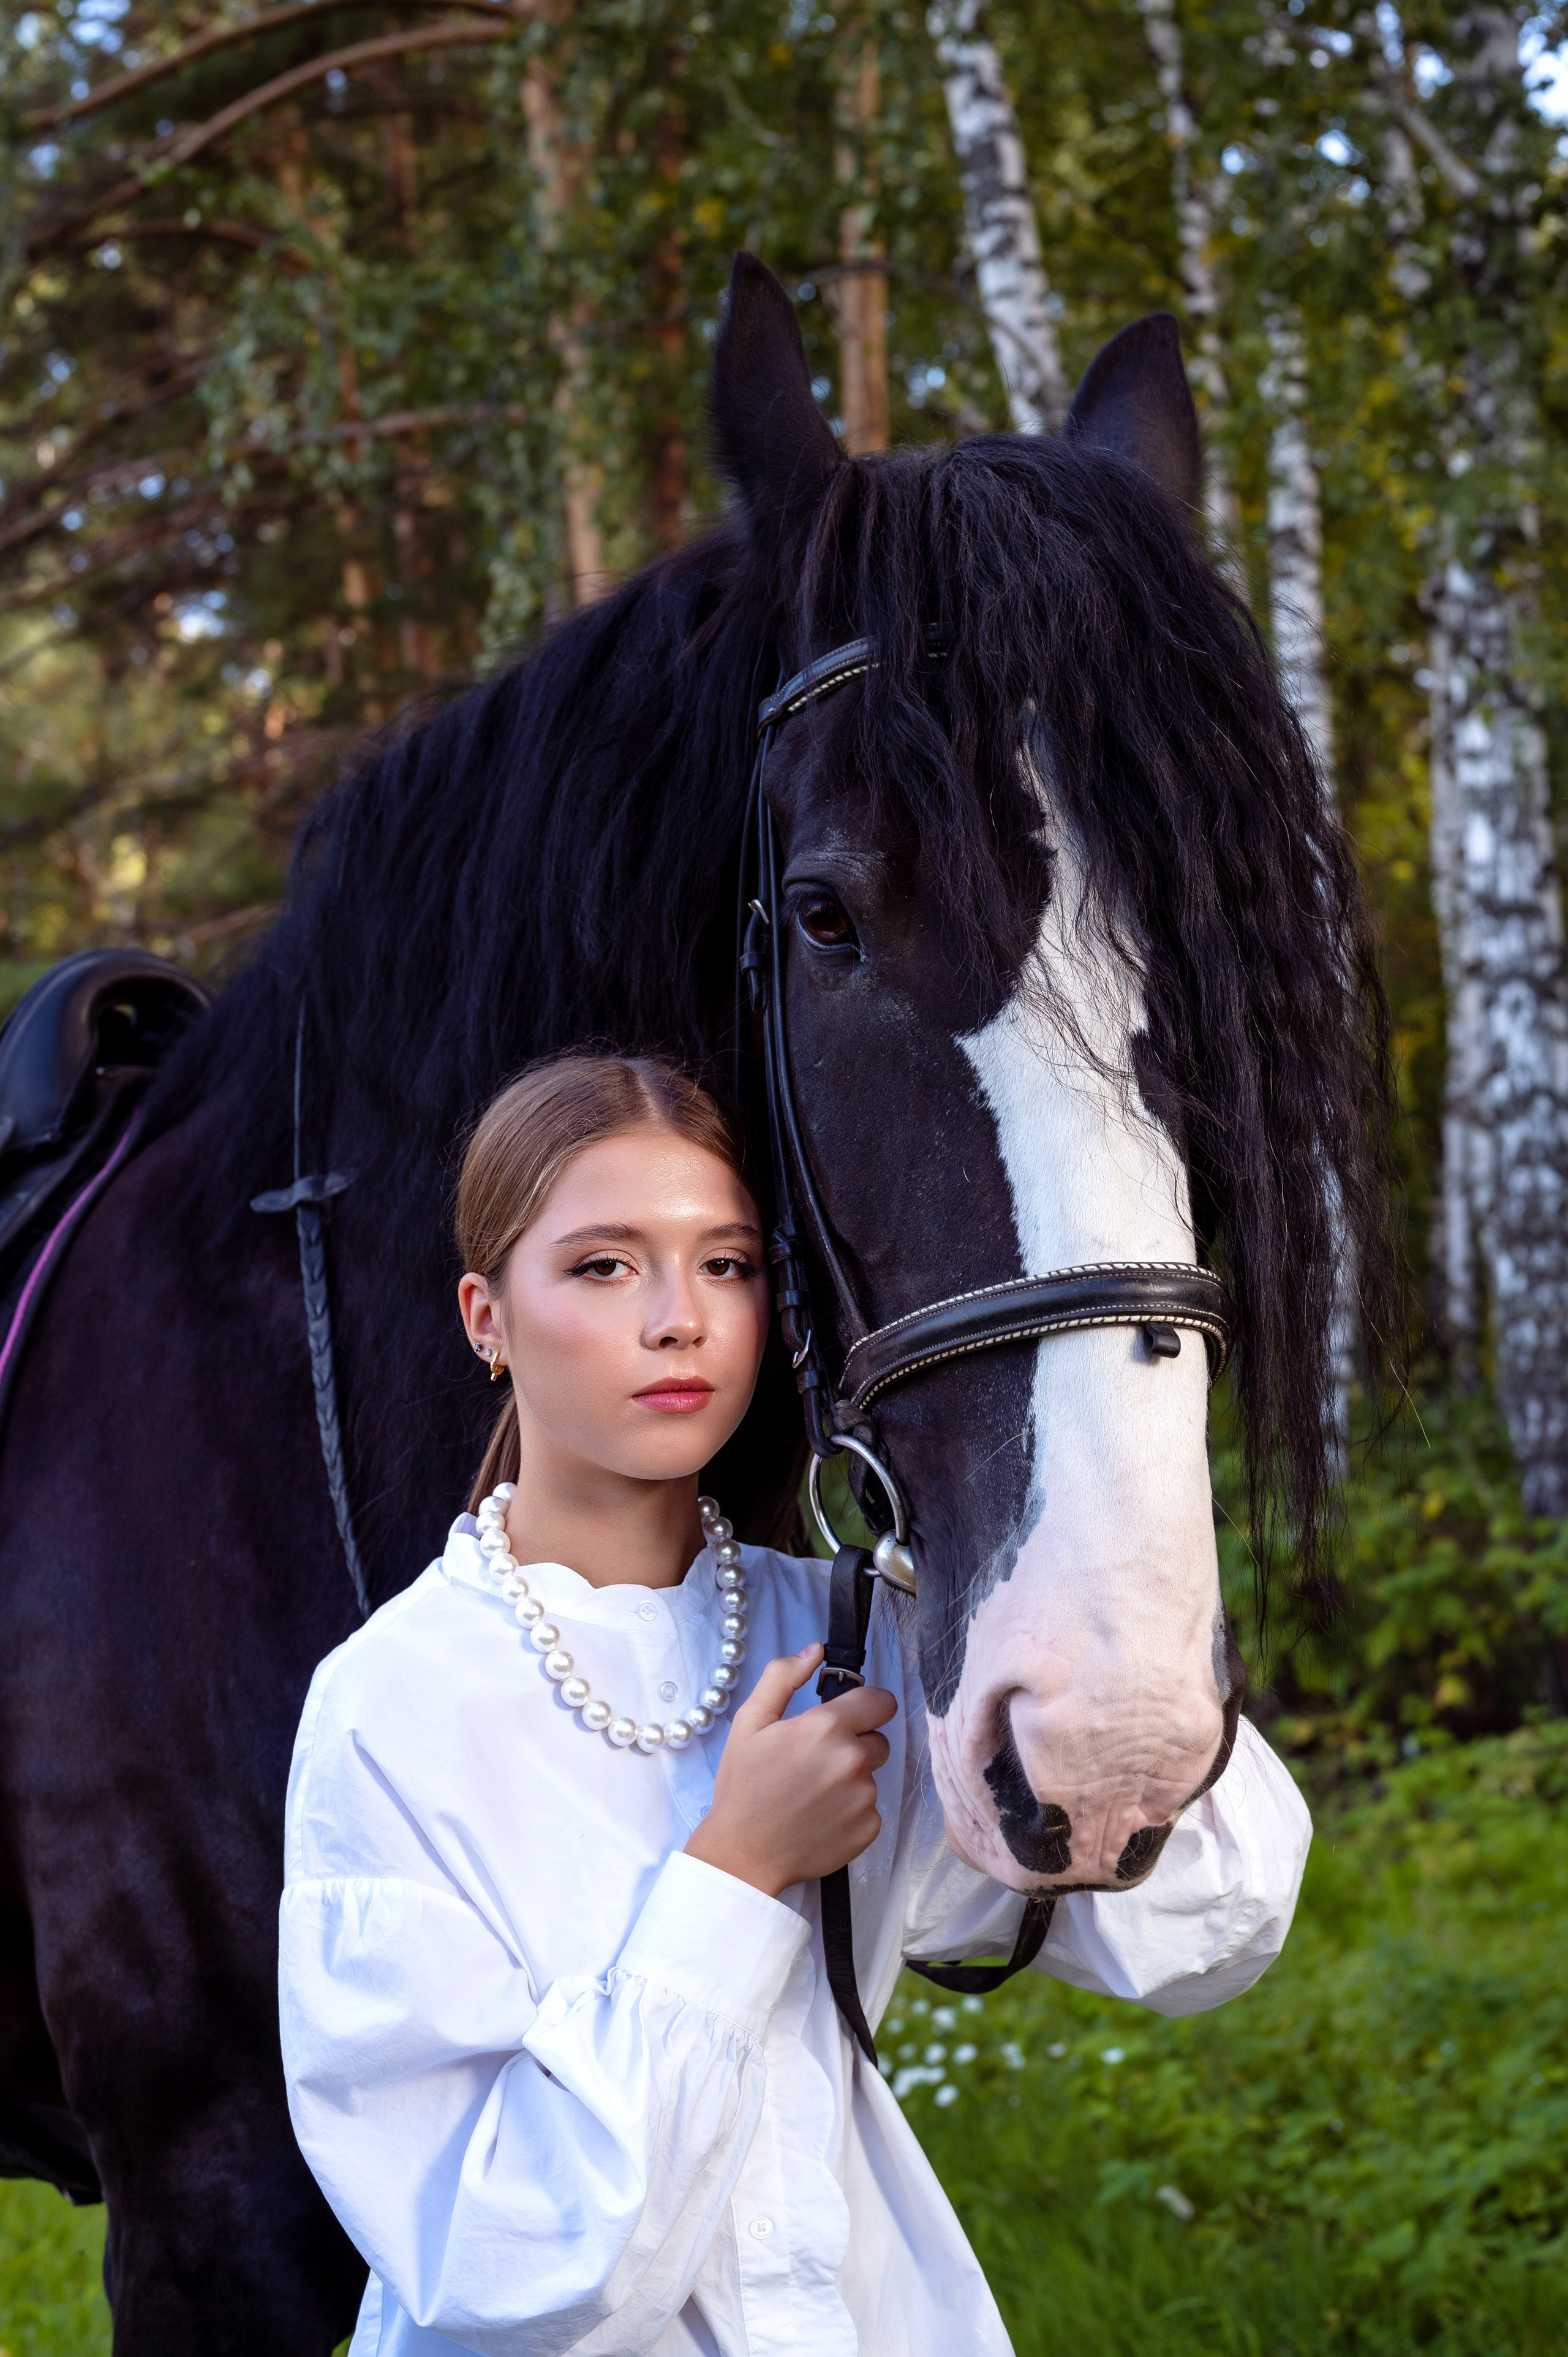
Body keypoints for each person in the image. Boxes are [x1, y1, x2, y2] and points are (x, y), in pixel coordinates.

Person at [279, 1052, 1311, 2357]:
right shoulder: (394, 1707)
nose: (679, 1319)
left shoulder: (853, 1632)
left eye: (725, 1264)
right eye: (604, 1265)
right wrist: (736, 1868)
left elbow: (1209, 1924)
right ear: (486, 1316)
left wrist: (1042, 1574)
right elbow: (497, 2264)